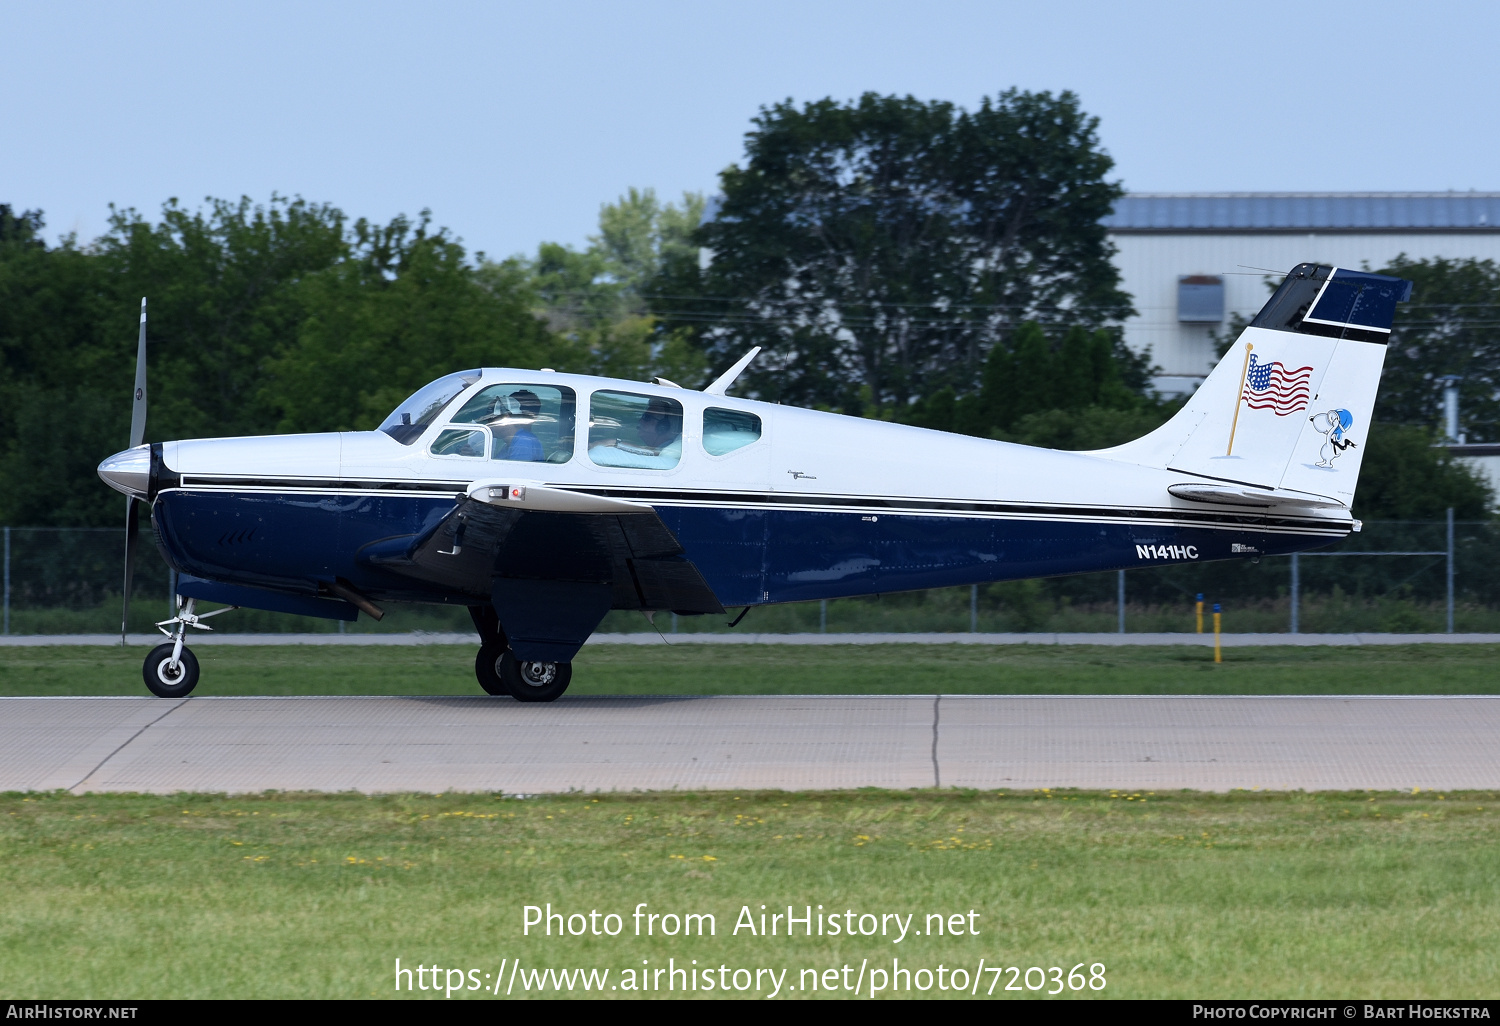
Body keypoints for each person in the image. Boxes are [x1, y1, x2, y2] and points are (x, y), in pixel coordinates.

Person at [590, 398, 682, 469]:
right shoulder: (660, 449)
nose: (640, 420)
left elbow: (655, 453)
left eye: (647, 417)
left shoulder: (668, 452)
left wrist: (613, 442)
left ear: (663, 427)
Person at [490, 390, 545, 462]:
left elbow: (516, 472)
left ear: (506, 418)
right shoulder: (511, 443)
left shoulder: (523, 442)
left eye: (492, 419)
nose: (489, 424)